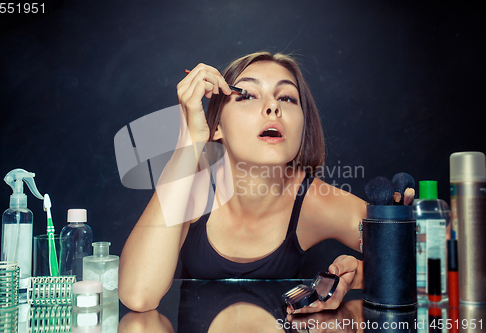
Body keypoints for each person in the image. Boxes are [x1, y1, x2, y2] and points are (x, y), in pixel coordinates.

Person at [119, 51, 366, 314]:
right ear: (217, 127)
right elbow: (137, 295)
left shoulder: (315, 201)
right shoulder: (193, 188)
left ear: (302, 126)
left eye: (286, 98)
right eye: (247, 95)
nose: (274, 107)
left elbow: (413, 256)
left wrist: (361, 274)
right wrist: (189, 143)